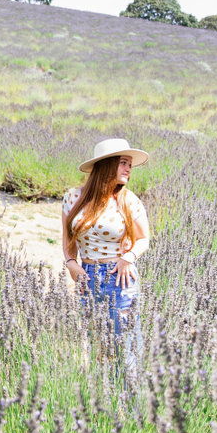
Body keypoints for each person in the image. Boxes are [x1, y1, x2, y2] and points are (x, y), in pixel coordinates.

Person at [61, 137, 151, 373]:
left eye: (130, 164)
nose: (129, 169)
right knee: (97, 350)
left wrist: (128, 257)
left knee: (126, 351)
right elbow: (68, 240)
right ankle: (104, 397)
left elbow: (144, 239)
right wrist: (71, 263)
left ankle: (132, 398)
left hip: (119, 278)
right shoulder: (73, 198)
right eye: (123, 163)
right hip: (87, 278)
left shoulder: (128, 200)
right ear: (106, 165)